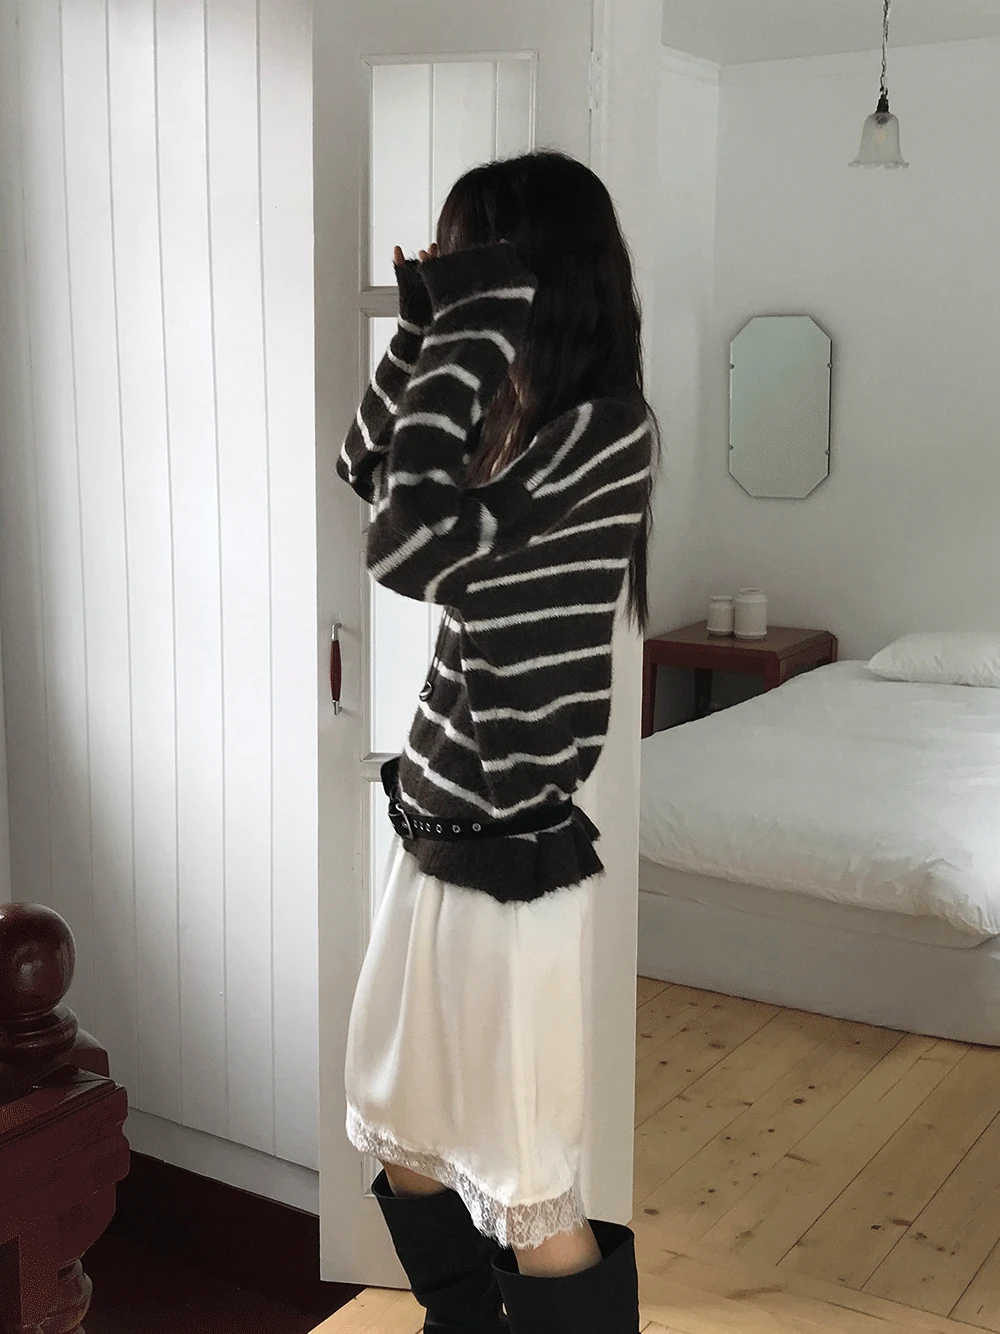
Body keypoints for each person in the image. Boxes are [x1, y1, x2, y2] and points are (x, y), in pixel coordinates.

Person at [337, 150, 658, 1334]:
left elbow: (405, 547)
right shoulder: (513, 422)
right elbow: (366, 466)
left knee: (525, 1180)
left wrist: (464, 327)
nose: (455, 281)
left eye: (472, 260)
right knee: (401, 1129)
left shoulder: (603, 433)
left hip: (512, 858)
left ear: (534, 274)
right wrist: (423, 333)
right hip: (434, 831)